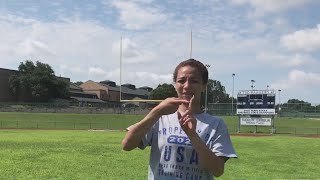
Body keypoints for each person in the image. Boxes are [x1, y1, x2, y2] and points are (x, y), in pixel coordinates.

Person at [122, 59, 237, 180]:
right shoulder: (160, 117)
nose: (187, 86)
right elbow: (127, 145)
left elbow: (218, 170)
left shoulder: (216, 124)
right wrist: (156, 111)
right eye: (181, 81)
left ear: (204, 86)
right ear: (175, 85)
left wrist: (193, 136)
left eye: (194, 81)